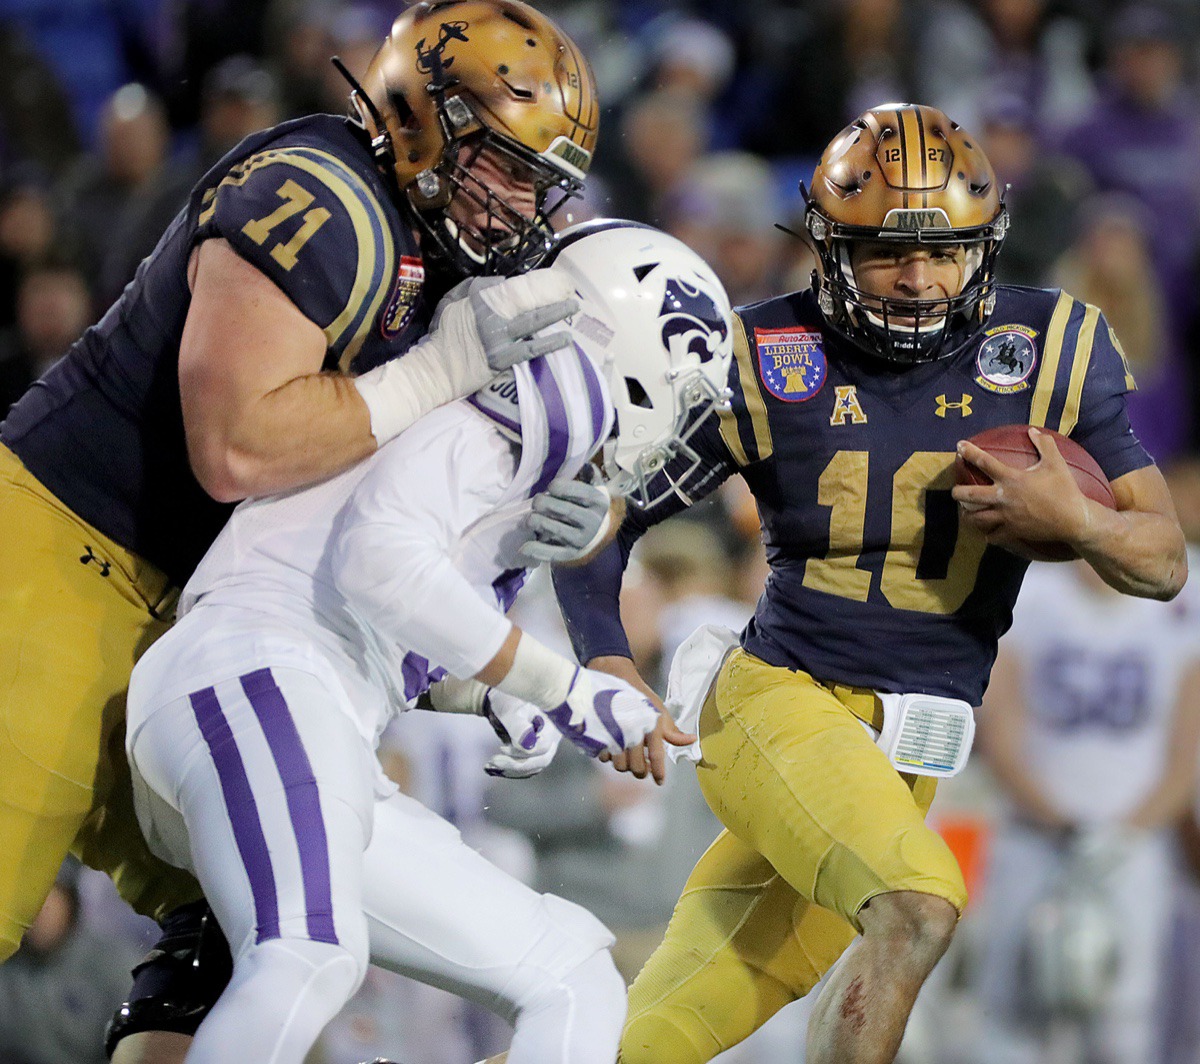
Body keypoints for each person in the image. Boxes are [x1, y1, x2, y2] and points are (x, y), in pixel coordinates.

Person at [547, 103, 1187, 1064]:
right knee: (918, 908)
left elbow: (1165, 559)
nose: (921, 279)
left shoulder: (1051, 348)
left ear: (988, 245)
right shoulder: (763, 356)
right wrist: (602, 651)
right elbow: (607, 514)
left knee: (650, 1042)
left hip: (912, 752)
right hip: (784, 702)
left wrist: (1081, 524)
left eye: (946, 253)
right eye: (889, 251)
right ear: (829, 248)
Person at [0, 0, 600, 1016]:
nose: (521, 204)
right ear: (424, 120)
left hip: (202, 620)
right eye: (503, 163)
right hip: (64, 557)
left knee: (251, 930)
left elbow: (377, 521)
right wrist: (435, 374)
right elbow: (238, 447)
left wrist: (543, 528)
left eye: (540, 181)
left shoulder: (463, 252)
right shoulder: (322, 194)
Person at [120, 222, 734, 1063]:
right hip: (252, 669)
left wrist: (493, 690)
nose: (676, 425)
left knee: (571, 972)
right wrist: (560, 685)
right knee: (307, 954)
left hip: (307, 707)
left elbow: (375, 605)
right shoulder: (518, 399)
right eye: (684, 392)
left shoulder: (520, 430)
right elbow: (377, 559)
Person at [972, 558, 1200, 1064]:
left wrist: (1121, 834)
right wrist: (1065, 826)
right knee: (1011, 1015)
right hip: (1033, 838)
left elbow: (1187, 753)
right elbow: (999, 734)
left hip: (1133, 849)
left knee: (1124, 1020)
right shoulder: (1031, 591)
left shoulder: (1185, 593)